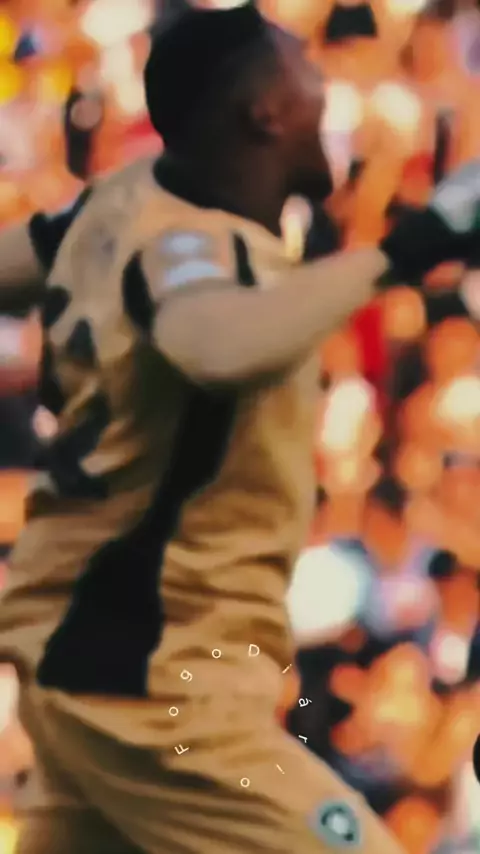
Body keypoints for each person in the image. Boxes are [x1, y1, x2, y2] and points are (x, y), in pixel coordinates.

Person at [0, 3, 480, 853]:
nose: (327, 95)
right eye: (308, 78)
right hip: (154, 686)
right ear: (265, 111)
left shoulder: (118, 207)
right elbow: (214, 346)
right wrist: (409, 248)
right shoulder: (191, 247)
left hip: (93, 659)